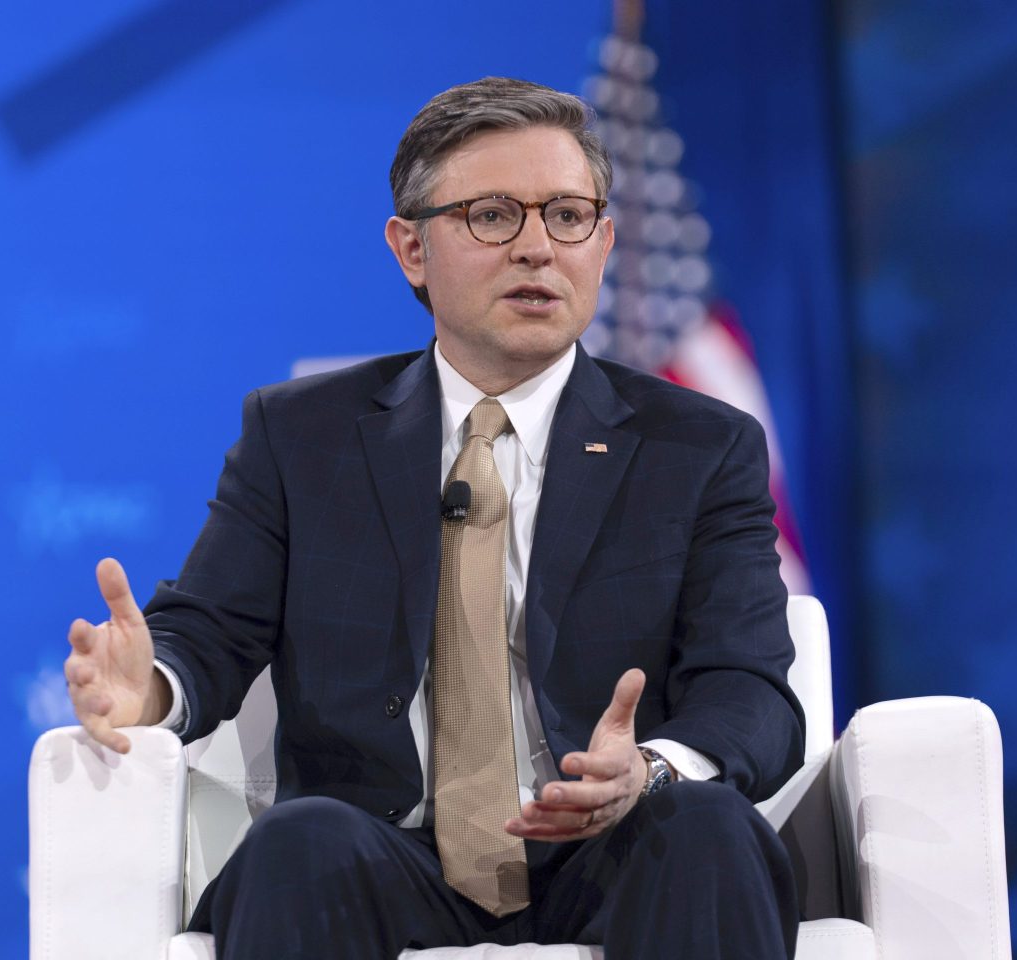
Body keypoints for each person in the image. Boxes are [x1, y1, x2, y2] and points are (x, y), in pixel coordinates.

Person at [63, 76, 805, 959]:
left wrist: (649, 770)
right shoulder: (302, 436)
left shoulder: (699, 444)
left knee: (707, 828)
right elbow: (211, 634)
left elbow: (751, 689)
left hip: (616, 844)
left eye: (567, 215)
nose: (538, 247)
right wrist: (149, 688)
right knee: (295, 846)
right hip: (386, 850)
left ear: (604, 243)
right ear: (412, 248)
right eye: (494, 216)